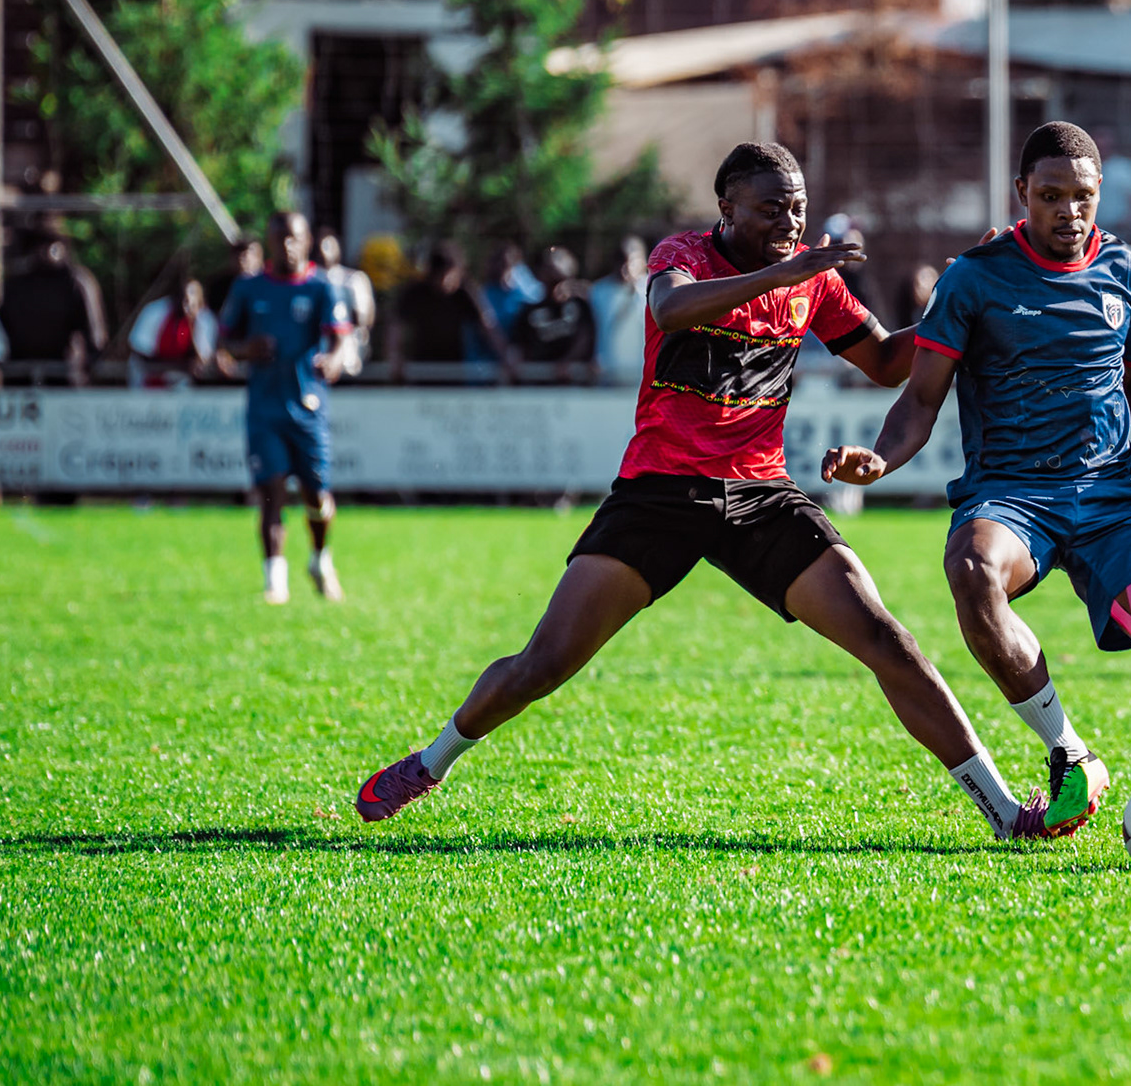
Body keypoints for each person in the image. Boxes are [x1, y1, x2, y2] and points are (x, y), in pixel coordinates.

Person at [354, 143, 1059, 843]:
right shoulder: (684, 255)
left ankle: (1004, 812)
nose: (790, 221)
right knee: (543, 663)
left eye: (798, 208)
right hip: (660, 491)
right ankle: (431, 761)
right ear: (727, 208)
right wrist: (786, 271)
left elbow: (884, 363)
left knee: (887, 639)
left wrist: (962, 296)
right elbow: (670, 310)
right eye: (771, 208)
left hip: (760, 493)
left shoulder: (810, 278)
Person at [821, 121, 1131, 854]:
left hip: (1111, 496)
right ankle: (1069, 750)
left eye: (1081, 196)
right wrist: (880, 461)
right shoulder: (973, 278)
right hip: (1012, 494)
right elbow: (920, 399)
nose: (1068, 211)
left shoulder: (1127, 271)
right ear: (1022, 193)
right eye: (1050, 195)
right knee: (973, 570)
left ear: (1099, 191)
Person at [219, 213, 354, 604]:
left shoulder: (321, 288)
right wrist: (246, 350)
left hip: (308, 408)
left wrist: (333, 361)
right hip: (265, 409)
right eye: (280, 239)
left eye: (294, 238)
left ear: (307, 241)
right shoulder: (249, 288)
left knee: (317, 497)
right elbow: (223, 344)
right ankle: (274, 580)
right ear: (270, 242)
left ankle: (320, 560)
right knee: (271, 491)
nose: (287, 246)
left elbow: (340, 339)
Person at [0, 227, 108, 384]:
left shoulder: (76, 282)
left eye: (52, 244)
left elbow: (96, 338)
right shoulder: (16, 284)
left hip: (63, 377)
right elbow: (0, 333)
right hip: (20, 377)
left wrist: (87, 369)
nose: (47, 252)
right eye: (41, 244)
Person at [390, 241, 502, 379]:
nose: (444, 282)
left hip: (456, 369)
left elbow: (488, 326)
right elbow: (396, 327)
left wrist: (505, 356)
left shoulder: (465, 292)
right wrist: (395, 356)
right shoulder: (415, 293)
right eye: (439, 276)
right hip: (422, 368)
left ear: (458, 272)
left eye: (448, 276)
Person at [509, 247, 596, 380]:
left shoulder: (581, 306)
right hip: (539, 382)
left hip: (574, 382)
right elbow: (518, 346)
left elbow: (585, 337)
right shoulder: (529, 311)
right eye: (547, 271)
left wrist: (568, 361)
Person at [126, 277, 218, 388]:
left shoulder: (205, 320)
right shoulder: (155, 311)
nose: (187, 307)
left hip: (181, 376)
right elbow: (140, 351)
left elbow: (203, 358)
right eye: (185, 300)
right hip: (148, 369)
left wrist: (192, 325)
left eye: (192, 303)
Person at [589, 237, 650, 388]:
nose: (626, 267)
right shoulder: (598, 291)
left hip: (645, 379)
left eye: (632, 261)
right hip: (608, 377)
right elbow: (593, 330)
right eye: (622, 261)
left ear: (643, 261)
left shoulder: (654, 289)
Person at [317, 231, 376, 375]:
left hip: (349, 357)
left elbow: (364, 318)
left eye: (328, 247)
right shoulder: (311, 281)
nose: (323, 252)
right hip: (318, 360)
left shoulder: (352, 280)